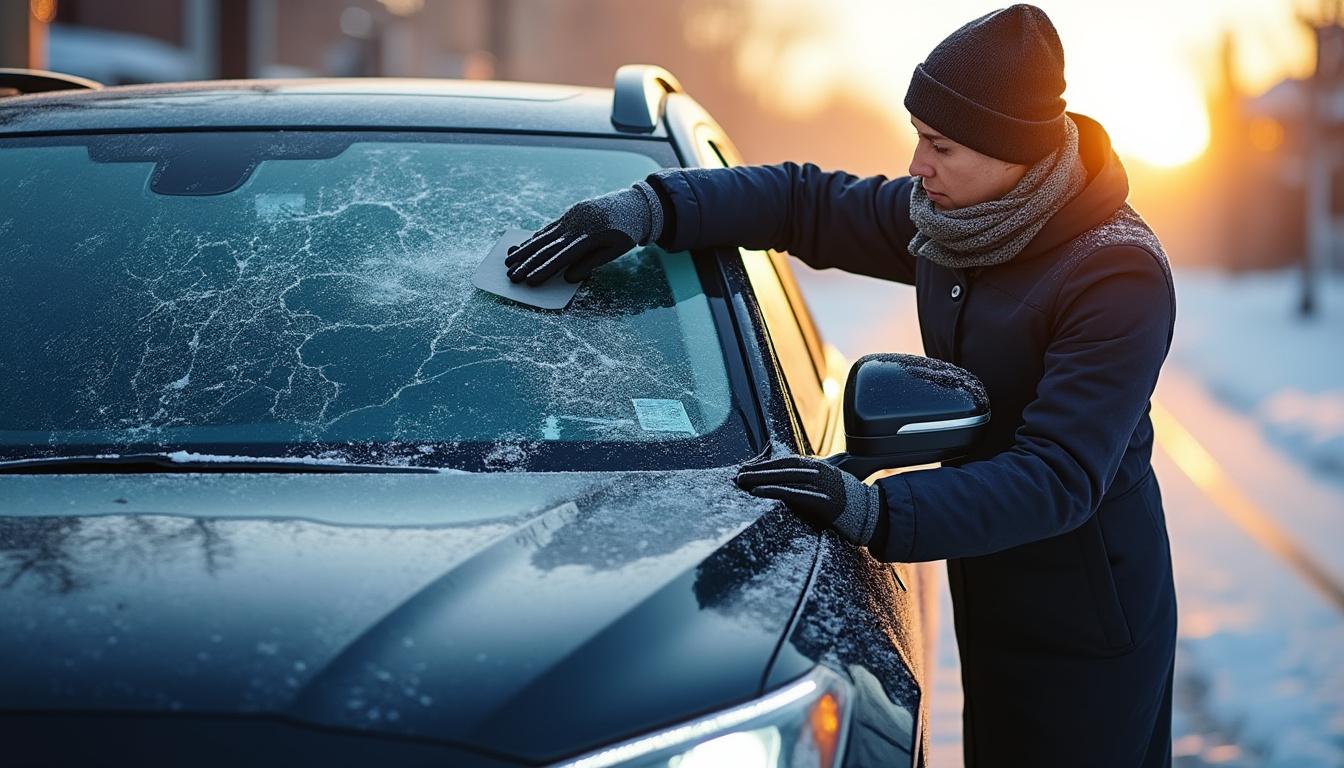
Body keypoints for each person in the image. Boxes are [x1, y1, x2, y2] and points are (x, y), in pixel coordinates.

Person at [503, 4, 1177, 766]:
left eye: (941, 145)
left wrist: (874, 508)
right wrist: (652, 206)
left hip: (1085, 612)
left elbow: (1060, 475)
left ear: (1010, 151)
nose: (918, 165)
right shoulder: (956, 219)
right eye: (919, 137)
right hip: (991, 580)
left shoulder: (1115, 273)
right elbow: (806, 203)